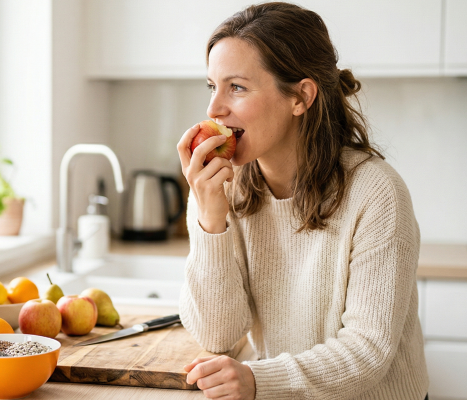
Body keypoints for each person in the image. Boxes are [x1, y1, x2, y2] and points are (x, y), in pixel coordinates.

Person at [176, 3, 429, 399]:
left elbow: (368, 350)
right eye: (212, 86)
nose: (214, 109)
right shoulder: (222, 186)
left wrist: (258, 379)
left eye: (236, 87)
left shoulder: (377, 193)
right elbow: (218, 334)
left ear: (300, 97)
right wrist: (211, 220)